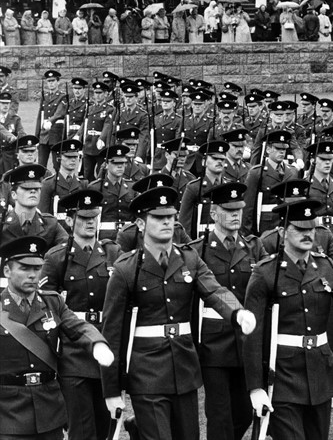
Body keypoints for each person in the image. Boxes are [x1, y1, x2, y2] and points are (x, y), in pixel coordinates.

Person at [100, 185, 256, 440]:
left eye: (171, 217)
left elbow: (214, 289)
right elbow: (112, 332)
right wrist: (111, 390)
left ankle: (137, 429)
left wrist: (238, 313)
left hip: (183, 368)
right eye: (158, 218)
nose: (167, 223)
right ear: (141, 223)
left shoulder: (188, 258)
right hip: (146, 371)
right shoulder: (126, 269)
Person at [243, 198, 333, 440]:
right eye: (299, 229)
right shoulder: (265, 272)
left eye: (310, 229)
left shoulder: (325, 267)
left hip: (320, 374)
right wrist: (255, 387)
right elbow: (252, 335)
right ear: (283, 231)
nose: (307, 234)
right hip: (283, 375)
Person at [0, 235, 114, 440]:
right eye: (24, 268)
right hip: (9, 412)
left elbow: (78, 327)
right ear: (7, 271)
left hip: (48, 409)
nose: (32, 275)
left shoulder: (52, 303)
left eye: (36, 268)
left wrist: (97, 343)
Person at [39, 189, 121, 440]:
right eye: (83, 217)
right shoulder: (57, 258)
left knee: (106, 424)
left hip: (105, 346)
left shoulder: (112, 253)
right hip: (73, 351)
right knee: (82, 429)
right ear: (70, 220)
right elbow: (45, 307)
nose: (89, 222)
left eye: (93, 217)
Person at [190, 182, 267, 440]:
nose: (235, 215)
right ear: (214, 213)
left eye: (238, 210)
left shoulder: (254, 248)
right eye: (228, 210)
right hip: (214, 344)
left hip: (246, 344)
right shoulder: (198, 250)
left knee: (245, 412)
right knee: (219, 415)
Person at [242, 129, 298, 236]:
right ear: (268, 149)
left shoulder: (292, 172)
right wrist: (248, 235)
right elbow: (248, 208)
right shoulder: (257, 173)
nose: (282, 152)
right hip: (265, 229)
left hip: (287, 228)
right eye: (277, 148)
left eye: (284, 149)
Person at [0, 164, 68, 250]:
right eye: (26, 188)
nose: (33, 191)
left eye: (36, 188)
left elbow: (68, 248)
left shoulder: (50, 224)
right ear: (14, 195)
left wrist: (49, 260)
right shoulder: (2, 224)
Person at [179, 140, 230, 238]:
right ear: (204, 161)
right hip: (201, 240)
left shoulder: (228, 186)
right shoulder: (194, 188)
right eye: (215, 158)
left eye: (222, 159)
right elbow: (185, 223)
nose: (219, 162)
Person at [74, 81, 114, 182]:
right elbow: (85, 123)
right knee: (87, 173)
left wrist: (102, 138)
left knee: (101, 173)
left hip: (100, 145)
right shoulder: (90, 108)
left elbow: (107, 125)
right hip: (88, 144)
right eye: (96, 92)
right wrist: (78, 134)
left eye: (100, 92)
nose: (97, 95)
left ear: (105, 94)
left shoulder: (109, 109)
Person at [39, 139, 87, 217]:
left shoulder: (83, 184)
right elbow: (43, 215)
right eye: (68, 157)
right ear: (59, 157)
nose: (73, 160)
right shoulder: (48, 184)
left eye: (75, 156)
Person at [34, 69, 67, 169]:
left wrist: (50, 121)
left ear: (58, 82)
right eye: (49, 81)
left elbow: (59, 113)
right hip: (44, 136)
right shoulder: (44, 96)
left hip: (56, 135)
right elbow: (40, 117)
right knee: (41, 165)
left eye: (53, 81)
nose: (51, 83)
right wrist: (37, 136)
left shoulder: (63, 96)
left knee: (57, 165)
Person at [0, 91, 25, 175]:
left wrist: (21, 138)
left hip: (10, 156)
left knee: (10, 182)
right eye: (3, 103)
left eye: (7, 103)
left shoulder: (15, 119)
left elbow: (21, 133)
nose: (5, 105)